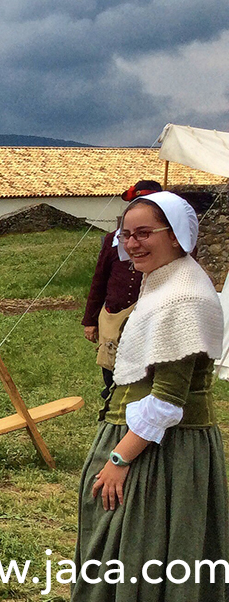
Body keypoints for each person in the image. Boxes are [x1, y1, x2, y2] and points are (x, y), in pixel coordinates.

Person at [73, 191, 227, 602]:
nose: (132, 243)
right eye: (125, 234)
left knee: (141, 552)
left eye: (144, 233)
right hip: (149, 442)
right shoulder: (167, 282)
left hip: (161, 453)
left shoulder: (183, 298)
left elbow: (167, 401)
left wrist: (119, 459)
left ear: (176, 236)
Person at [82, 181, 162, 397]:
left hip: (148, 313)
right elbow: (99, 280)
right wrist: (90, 320)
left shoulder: (166, 241)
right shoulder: (112, 240)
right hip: (114, 313)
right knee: (110, 368)